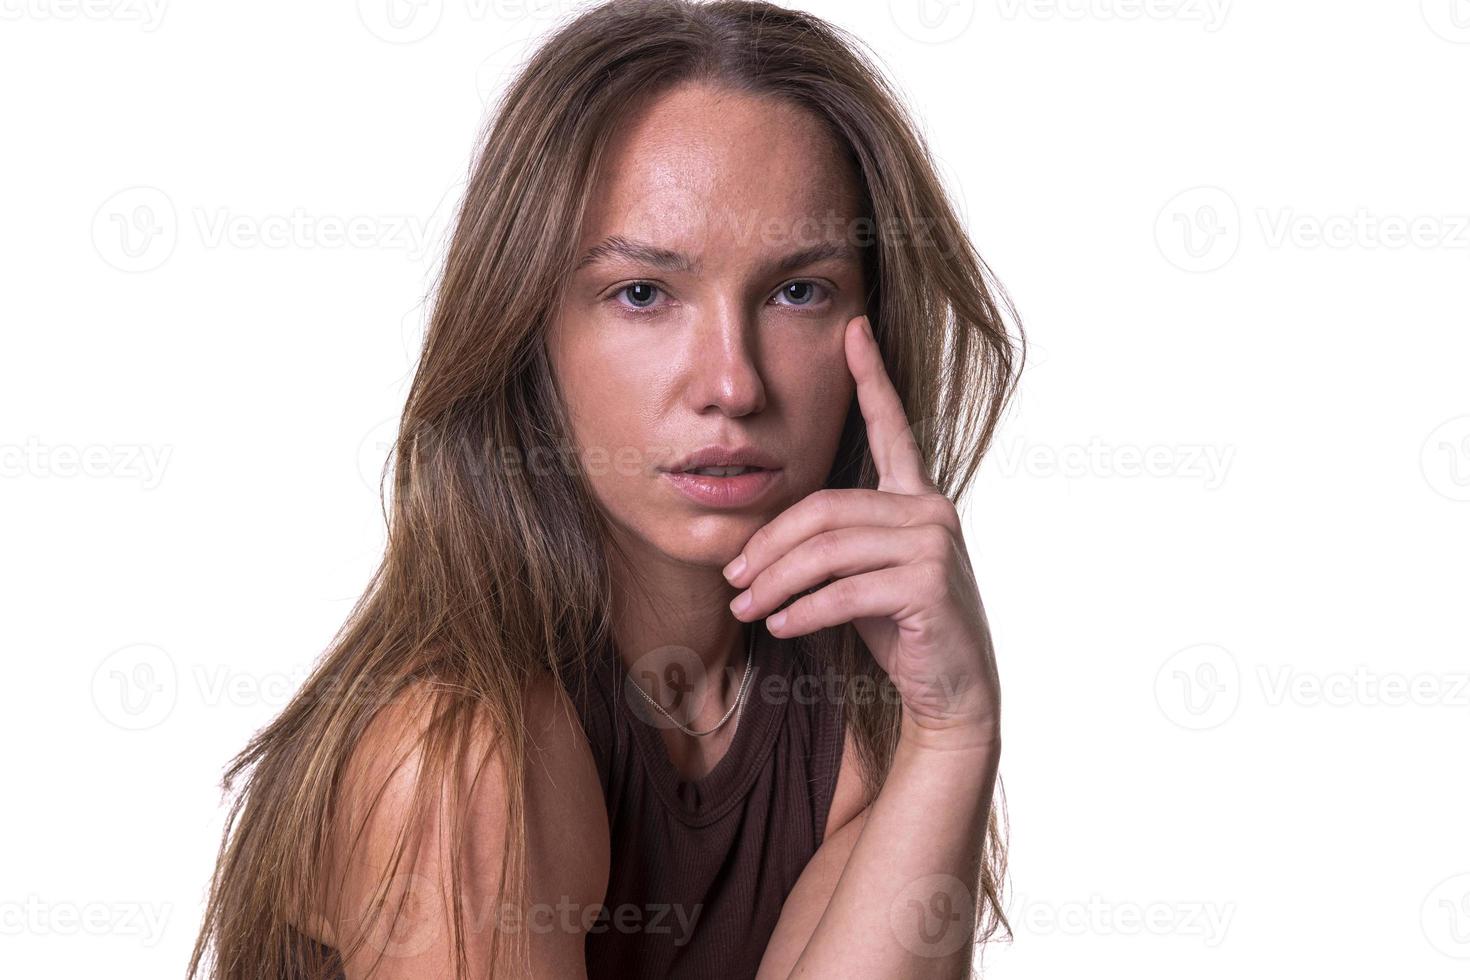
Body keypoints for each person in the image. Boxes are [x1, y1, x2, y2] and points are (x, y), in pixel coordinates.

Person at [190, 1, 1024, 977]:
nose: (732, 382)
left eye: (798, 290)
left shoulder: (864, 728)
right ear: (526, 328)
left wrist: (956, 730)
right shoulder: (459, 757)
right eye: (643, 293)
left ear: (870, 327)